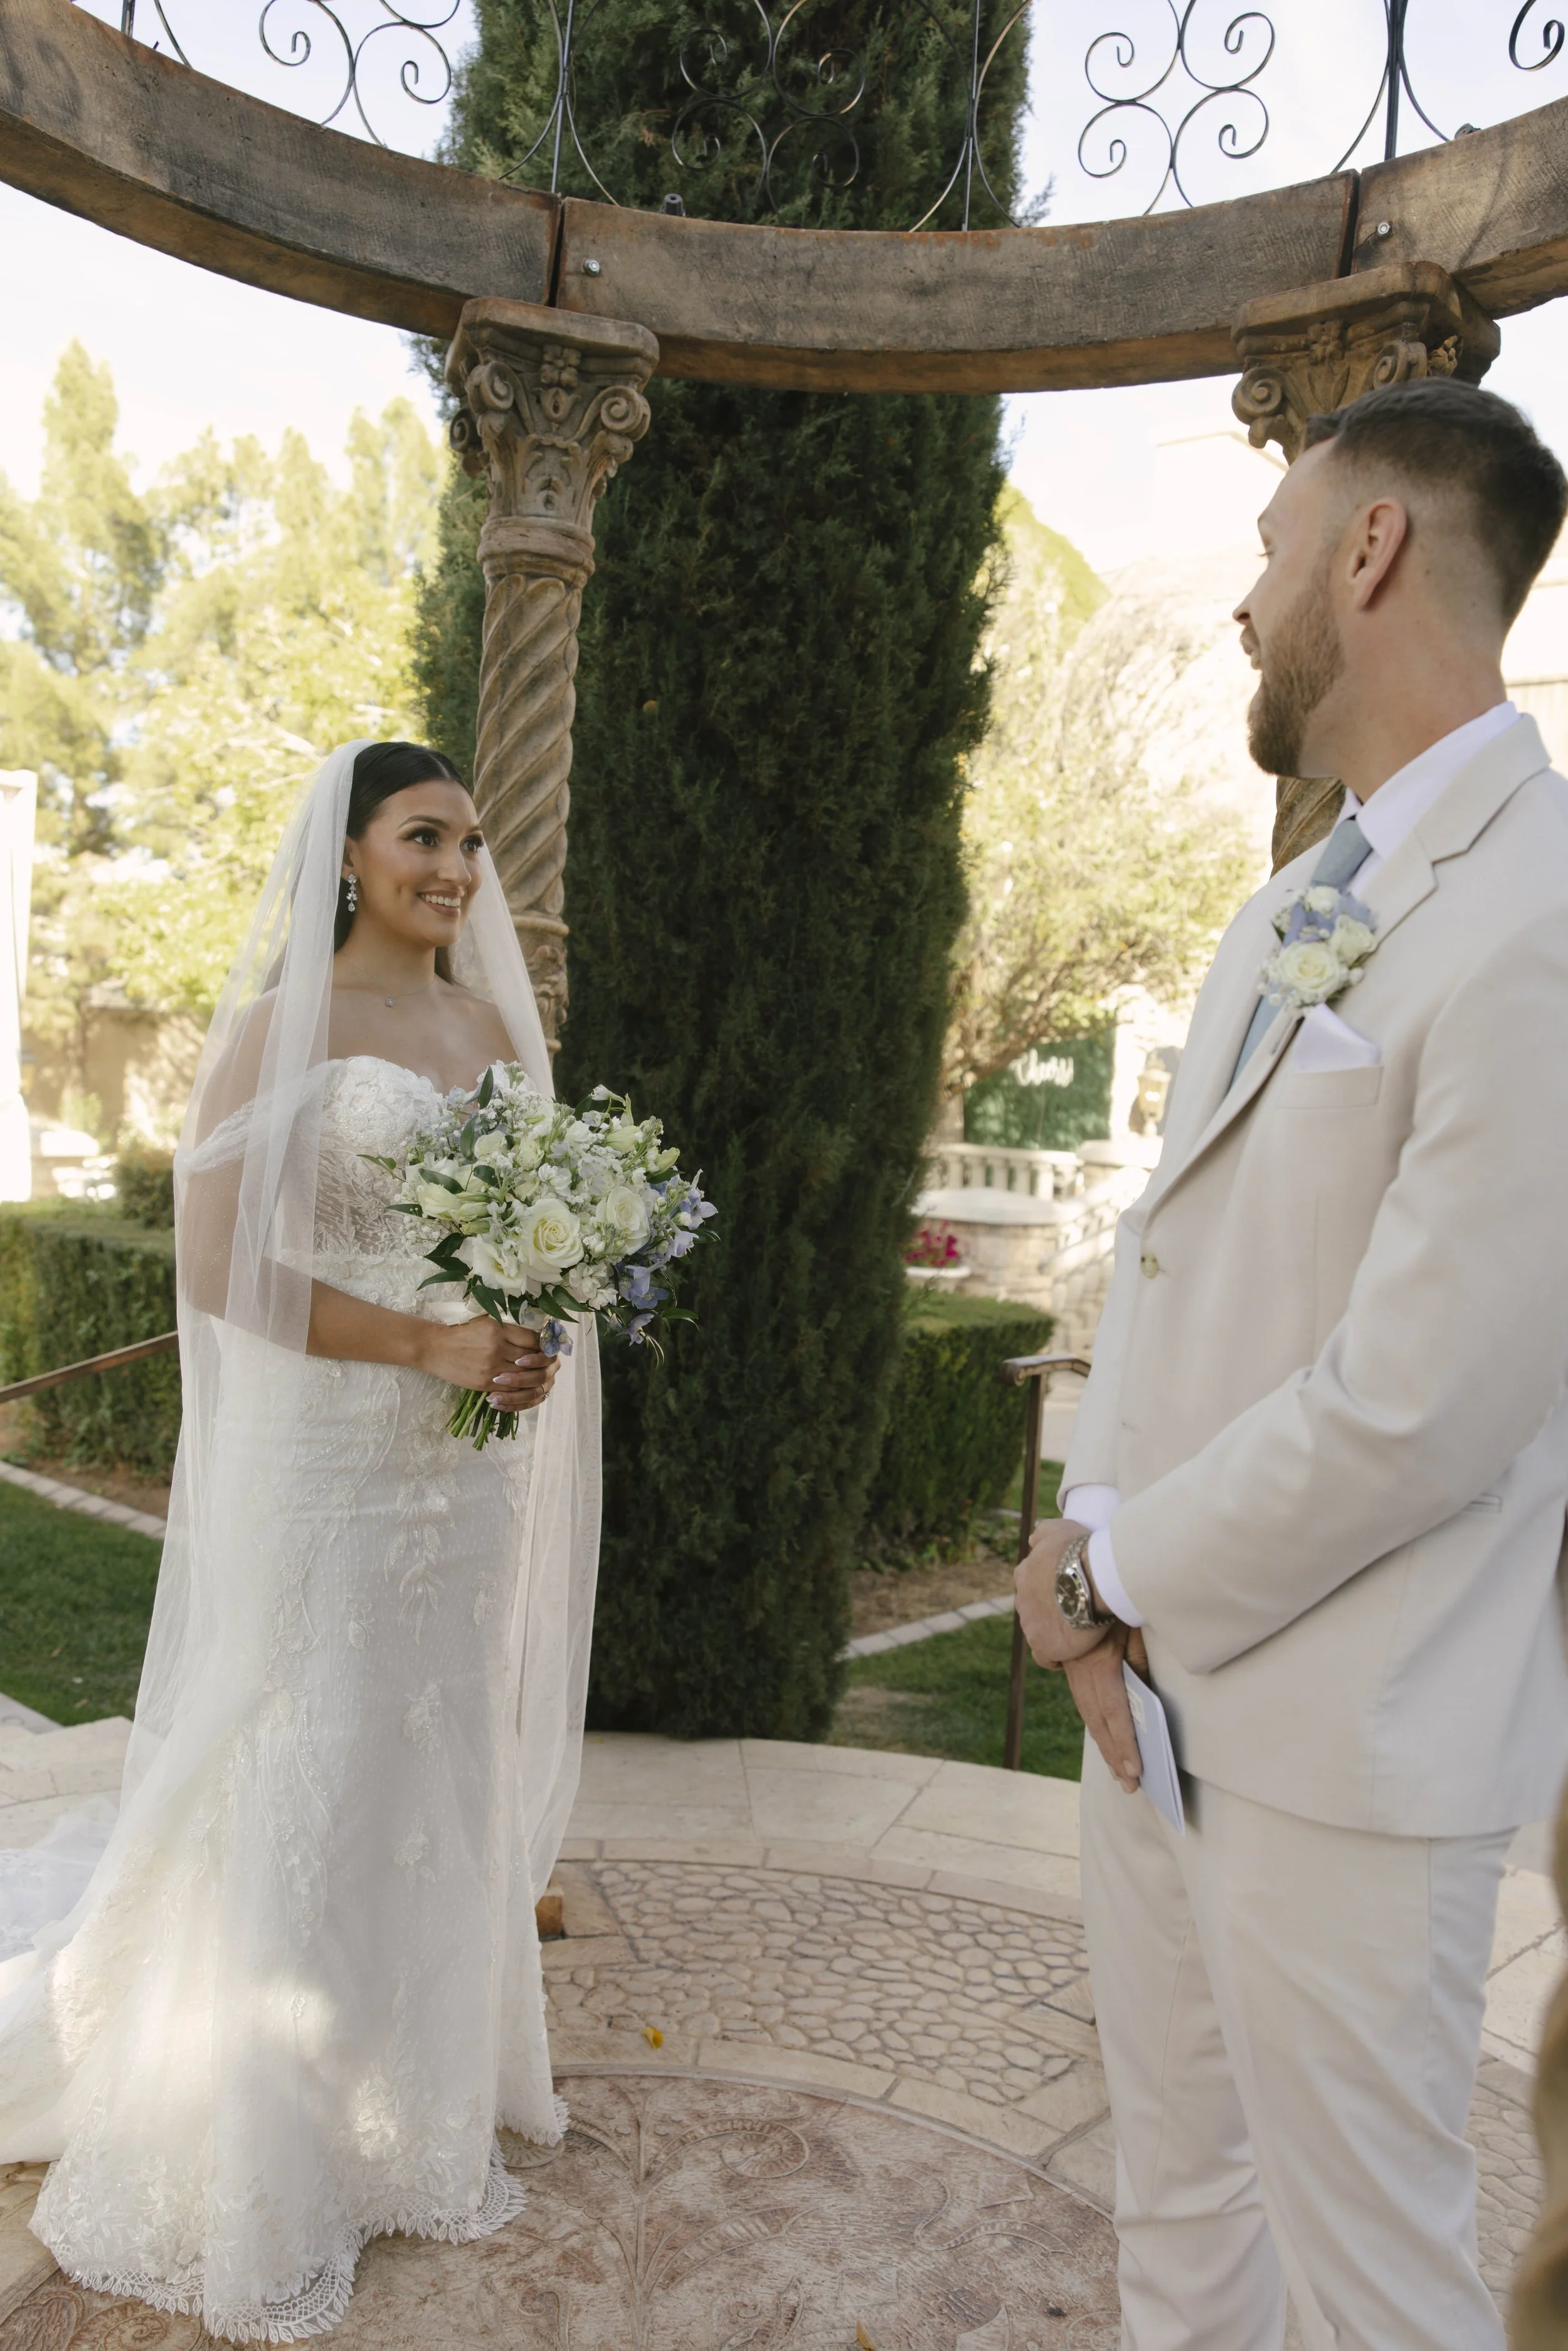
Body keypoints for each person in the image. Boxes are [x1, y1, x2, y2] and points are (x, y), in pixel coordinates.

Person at [1015, 379, 1568, 2348]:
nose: (1242, 603)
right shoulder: (1278, 910)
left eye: (1270, 549)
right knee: (1174, 2214)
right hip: (1144, 1712)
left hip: (1349, 1748)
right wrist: (1086, 1548)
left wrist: (1116, 1570)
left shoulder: (1540, 910)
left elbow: (1424, 1401)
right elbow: (1171, 1268)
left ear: (1369, 551)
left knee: (1368, 2292)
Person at [0, 741, 601, 2340]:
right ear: (346, 855)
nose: (456, 869)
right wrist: (426, 1347)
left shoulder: (487, 1028)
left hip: (465, 1471)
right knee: (314, 1746)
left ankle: (417, 2100)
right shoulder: (281, 1030)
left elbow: (522, 1236)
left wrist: (523, 1326)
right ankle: (266, 2134)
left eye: (472, 842)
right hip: (333, 1454)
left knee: (434, 1742)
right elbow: (217, 1268)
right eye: (424, 836)